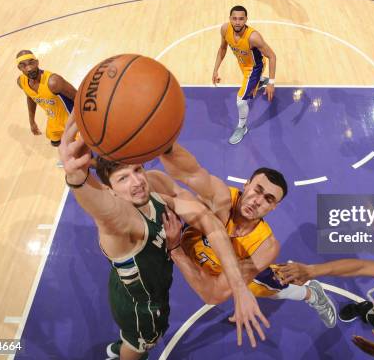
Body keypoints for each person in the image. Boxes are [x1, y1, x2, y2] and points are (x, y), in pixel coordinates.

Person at [58, 117, 269, 359]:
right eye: (123, 179)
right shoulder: (121, 222)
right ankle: (127, 350)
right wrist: (77, 178)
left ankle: (124, 343)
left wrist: (240, 288)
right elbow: (102, 211)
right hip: (142, 307)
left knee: (130, 336)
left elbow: (209, 223)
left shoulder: (153, 185)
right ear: (109, 189)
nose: (137, 182)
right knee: (140, 346)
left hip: (132, 287)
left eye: (137, 170)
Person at [159, 144, 337, 328]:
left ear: (273, 207)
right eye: (257, 190)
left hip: (231, 272)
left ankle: (313, 294)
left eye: (268, 199)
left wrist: (176, 250)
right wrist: (166, 146)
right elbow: (189, 172)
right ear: (246, 185)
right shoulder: (220, 197)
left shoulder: (265, 246)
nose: (257, 201)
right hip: (193, 252)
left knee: (277, 289)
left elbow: (212, 295)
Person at [212, 6, 277, 144]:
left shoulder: (253, 37)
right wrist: (215, 69)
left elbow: (272, 56)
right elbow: (223, 48)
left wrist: (272, 83)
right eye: (234, 18)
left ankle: (242, 127)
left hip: (254, 68)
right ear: (230, 19)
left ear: (246, 19)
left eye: (241, 19)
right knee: (252, 85)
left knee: (241, 100)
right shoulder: (225, 29)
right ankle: (259, 82)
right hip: (243, 63)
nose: (237, 22)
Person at [16, 50, 76, 148]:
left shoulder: (53, 82)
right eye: (23, 65)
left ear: (37, 62)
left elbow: (78, 97)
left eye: (31, 63)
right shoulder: (21, 82)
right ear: (19, 68)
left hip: (72, 119)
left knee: (81, 148)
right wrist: (32, 121)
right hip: (54, 120)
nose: (29, 68)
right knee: (57, 143)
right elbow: (30, 98)